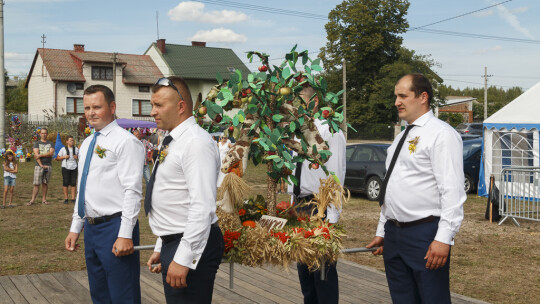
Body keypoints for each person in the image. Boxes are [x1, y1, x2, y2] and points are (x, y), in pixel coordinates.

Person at [366, 74, 466, 304]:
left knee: (432, 299)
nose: (396, 102)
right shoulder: (401, 136)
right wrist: (382, 230)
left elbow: (452, 191)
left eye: (403, 96)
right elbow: (391, 186)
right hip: (394, 234)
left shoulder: (441, 134)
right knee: (402, 299)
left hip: (424, 233)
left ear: (423, 97)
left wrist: (444, 238)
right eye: (396, 96)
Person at [145, 76, 224, 304]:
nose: (153, 112)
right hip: (176, 240)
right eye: (152, 105)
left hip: (190, 242)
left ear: (181, 106)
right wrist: (162, 244)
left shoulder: (195, 142)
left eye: (159, 105)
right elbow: (174, 198)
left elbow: (202, 205)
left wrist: (183, 258)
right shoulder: (173, 139)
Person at [64, 85, 144, 303]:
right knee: (99, 294)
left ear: (112, 107)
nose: (90, 112)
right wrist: (76, 227)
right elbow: (84, 190)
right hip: (91, 227)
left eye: (97, 107)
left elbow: (132, 191)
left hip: (115, 227)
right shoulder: (89, 141)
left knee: (122, 294)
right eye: (87, 107)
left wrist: (125, 233)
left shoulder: (126, 142)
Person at [287, 86, 346, 304]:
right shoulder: (297, 130)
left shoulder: (329, 131)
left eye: (299, 102)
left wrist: (331, 219)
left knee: (323, 276)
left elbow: (336, 176)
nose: (294, 107)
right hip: (301, 206)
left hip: (320, 208)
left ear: (314, 102)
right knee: (306, 276)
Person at [27, 127, 54, 206]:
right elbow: (36, 155)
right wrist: (41, 165)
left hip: (48, 165)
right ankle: (32, 200)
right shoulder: (37, 143)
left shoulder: (51, 143)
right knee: (36, 184)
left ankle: (44, 199)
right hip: (38, 166)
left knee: (45, 183)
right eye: (42, 133)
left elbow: (51, 153)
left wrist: (41, 155)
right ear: (40, 134)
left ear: (47, 134)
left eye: (45, 133)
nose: (44, 134)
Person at [56, 135, 79, 204]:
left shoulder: (76, 149)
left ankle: (73, 198)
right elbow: (57, 158)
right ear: (67, 142)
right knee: (65, 183)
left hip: (74, 167)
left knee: (73, 183)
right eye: (70, 140)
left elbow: (81, 157)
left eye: (73, 140)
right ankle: (66, 198)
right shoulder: (63, 149)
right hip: (65, 167)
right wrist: (64, 157)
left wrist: (77, 157)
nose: (72, 142)